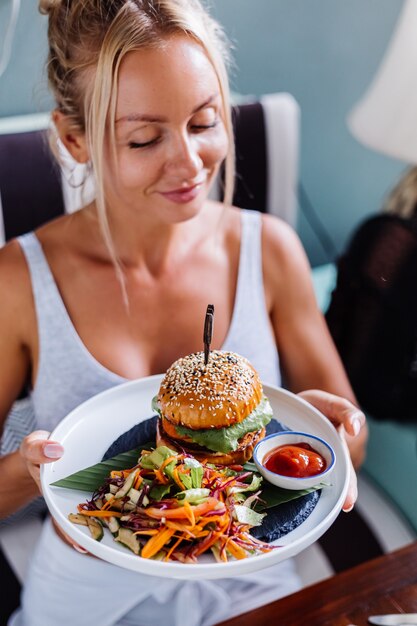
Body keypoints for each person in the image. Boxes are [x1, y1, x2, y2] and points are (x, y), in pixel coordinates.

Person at [0, 1, 367, 625]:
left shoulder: (270, 248)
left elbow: (344, 447)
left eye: (204, 123)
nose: (190, 164)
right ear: (75, 139)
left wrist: (337, 431)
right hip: (88, 589)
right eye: (144, 138)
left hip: (252, 566)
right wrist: (26, 471)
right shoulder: (16, 281)